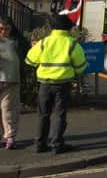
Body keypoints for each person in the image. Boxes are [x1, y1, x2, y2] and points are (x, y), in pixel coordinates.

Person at [25, 14, 87, 154]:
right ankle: (57, 145)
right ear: (68, 29)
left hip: (44, 84)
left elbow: (29, 60)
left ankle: (40, 144)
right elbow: (81, 67)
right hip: (63, 85)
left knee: (43, 115)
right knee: (60, 115)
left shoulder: (43, 42)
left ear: (51, 27)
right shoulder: (72, 44)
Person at [0, 15, 21, 150]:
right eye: (0, 29)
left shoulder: (16, 42)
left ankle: (10, 137)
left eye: (6, 29)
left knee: (8, 109)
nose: (3, 32)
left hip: (10, 79)